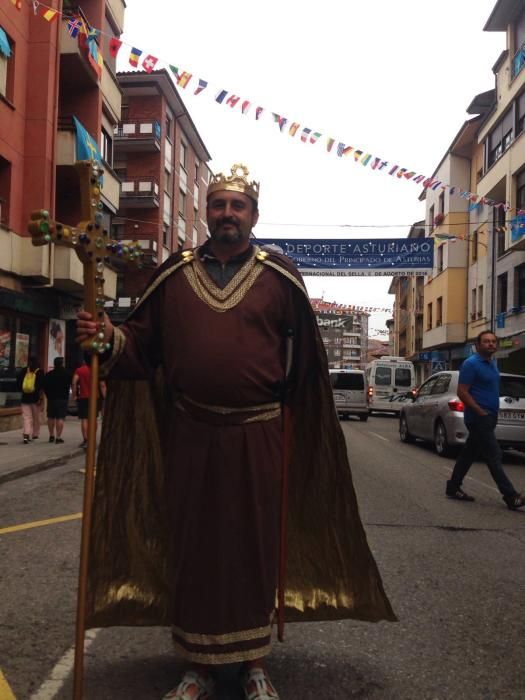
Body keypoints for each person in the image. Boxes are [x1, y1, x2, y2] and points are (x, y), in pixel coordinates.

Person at [77, 163, 395, 700]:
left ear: (254, 215)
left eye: (237, 206)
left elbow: (304, 371)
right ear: (206, 212)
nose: (227, 213)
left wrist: (293, 430)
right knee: (194, 544)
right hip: (190, 433)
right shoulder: (174, 275)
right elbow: (141, 347)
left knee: (253, 543)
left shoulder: (279, 276)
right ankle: (197, 665)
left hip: (261, 435)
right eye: (218, 204)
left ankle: (252, 661)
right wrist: (107, 338)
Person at [446, 330, 525, 510]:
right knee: (494, 455)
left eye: (493, 341)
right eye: (486, 342)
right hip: (478, 418)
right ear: (478, 345)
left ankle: (453, 486)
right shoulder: (471, 364)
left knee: (469, 453)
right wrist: (480, 412)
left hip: (490, 416)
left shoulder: (492, 363)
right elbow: (462, 392)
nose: (491, 344)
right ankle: (511, 497)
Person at [72, 355, 100, 448]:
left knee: (84, 418)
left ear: (84, 361)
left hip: (83, 397)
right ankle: (93, 438)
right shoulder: (97, 369)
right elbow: (102, 384)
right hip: (95, 397)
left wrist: (74, 395)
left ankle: (86, 439)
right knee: (94, 418)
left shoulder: (79, 370)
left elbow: (74, 382)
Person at [43, 356, 71, 443]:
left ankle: (51, 435)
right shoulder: (67, 374)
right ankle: (58, 437)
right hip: (62, 398)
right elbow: (69, 385)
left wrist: (48, 395)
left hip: (51, 398)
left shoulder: (49, 374)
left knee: (50, 417)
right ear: (62, 364)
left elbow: (45, 387)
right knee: (60, 418)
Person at [17, 355, 44, 444]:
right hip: (36, 399)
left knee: (26, 417)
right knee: (36, 417)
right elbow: (41, 386)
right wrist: (40, 397)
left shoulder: (24, 370)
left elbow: (19, 383)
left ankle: (26, 435)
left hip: (25, 398)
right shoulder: (40, 372)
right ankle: (35, 434)